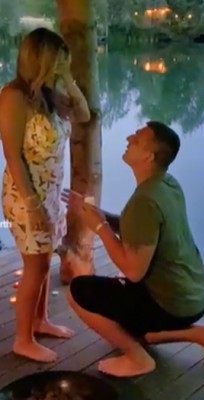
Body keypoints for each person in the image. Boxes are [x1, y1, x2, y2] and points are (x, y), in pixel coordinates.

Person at [62, 121, 204, 378]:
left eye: (137, 139)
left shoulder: (144, 201)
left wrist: (101, 227)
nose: (128, 138)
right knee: (128, 320)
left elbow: (133, 271)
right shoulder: (168, 184)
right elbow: (142, 229)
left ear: (149, 156)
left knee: (77, 291)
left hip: (169, 304)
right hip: (190, 297)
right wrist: (97, 214)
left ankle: (137, 358)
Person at [0, 27, 91, 363]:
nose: (62, 67)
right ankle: (22, 339)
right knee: (35, 266)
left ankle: (40, 321)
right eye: (59, 62)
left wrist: (67, 80)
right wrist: (33, 203)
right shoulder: (12, 97)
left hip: (50, 191)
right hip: (26, 195)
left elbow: (83, 114)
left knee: (43, 260)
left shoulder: (50, 94)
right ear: (40, 60)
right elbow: (12, 155)